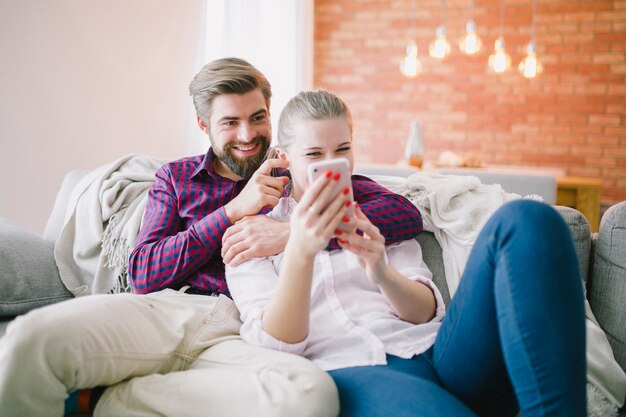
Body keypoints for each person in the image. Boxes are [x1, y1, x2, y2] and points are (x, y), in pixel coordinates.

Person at [0, 58, 424, 417]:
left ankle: (115, 401)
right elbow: (145, 271)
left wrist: (289, 232)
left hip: (241, 328)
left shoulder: (298, 174)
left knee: (306, 396)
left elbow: (401, 215)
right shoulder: (178, 177)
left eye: (257, 118)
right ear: (204, 125)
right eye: (230, 122)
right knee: (31, 341)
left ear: (271, 117)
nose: (246, 134)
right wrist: (232, 211)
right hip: (167, 308)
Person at [225, 89, 587, 417]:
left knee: (528, 219)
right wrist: (300, 250)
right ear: (285, 158)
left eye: (343, 150)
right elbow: (276, 344)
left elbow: (424, 312)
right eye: (315, 155)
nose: (333, 165)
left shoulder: (375, 212)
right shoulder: (252, 237)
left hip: (438, 354)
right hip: (349, 370)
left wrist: (380, 270)